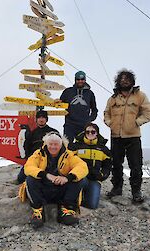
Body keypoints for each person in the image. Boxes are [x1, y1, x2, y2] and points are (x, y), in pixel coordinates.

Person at [24, 132, 88, 228]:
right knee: (30, 179)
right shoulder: (38, 154)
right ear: (46, 144)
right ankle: (38, 212)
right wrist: (46, 175)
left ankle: (66, 210)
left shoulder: (69, 155)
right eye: (50, 144)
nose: (53, 147)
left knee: (79, 179)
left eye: (56, 144)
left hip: (61, 188)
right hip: (44, 188)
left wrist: (67, 178)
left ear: (61, 144)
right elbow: (28, 167)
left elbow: (82, 167)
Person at [104, 69, 150, 203]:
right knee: (116, 164)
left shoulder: (140, 96)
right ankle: (116, 188)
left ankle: (136, 191)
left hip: (133, 137)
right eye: (122, 79)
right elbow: (106, 113)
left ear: (132, 81)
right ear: (118, 81)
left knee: (136, 165)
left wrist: (137, 122)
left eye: (127, 79)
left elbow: (147, 113)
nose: (124, 81)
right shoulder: (113, 98)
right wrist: (109, 123)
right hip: (116, 136)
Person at [69, 123, 111, 209]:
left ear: (97, 133)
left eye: (93, 132)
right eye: (87, 132)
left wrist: (102, 175)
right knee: (74, 203)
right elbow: (67, 160)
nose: (90, 134)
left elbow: (107, 165)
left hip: (94, 179)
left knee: (92, 205)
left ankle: (86, 195)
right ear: (84, 133)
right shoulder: (76, 146)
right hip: (79, 178)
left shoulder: (103, 149)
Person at [17, 110, 59, 184]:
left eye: (43, 117)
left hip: (50, 160)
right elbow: (27, 147)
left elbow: (59, 146)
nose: (41, 119)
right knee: (20, 178)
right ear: (36, 120)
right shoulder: (32, 133)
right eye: (39, 117)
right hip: (35, 159)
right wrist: (29, 159)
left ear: (46, 119)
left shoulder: (53, 132)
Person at [60, 71, 98, 143]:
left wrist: (89, 120)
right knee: (67, 146)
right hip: (69, 125)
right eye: (78, 79)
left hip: (84, 126)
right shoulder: (68, 91)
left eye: (82, 79)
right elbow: (60, 103)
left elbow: (94, 109)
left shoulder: (90, 93)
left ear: (85, 80)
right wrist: (56, 102)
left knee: (82, 147)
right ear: (75, 80)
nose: (80, 81)